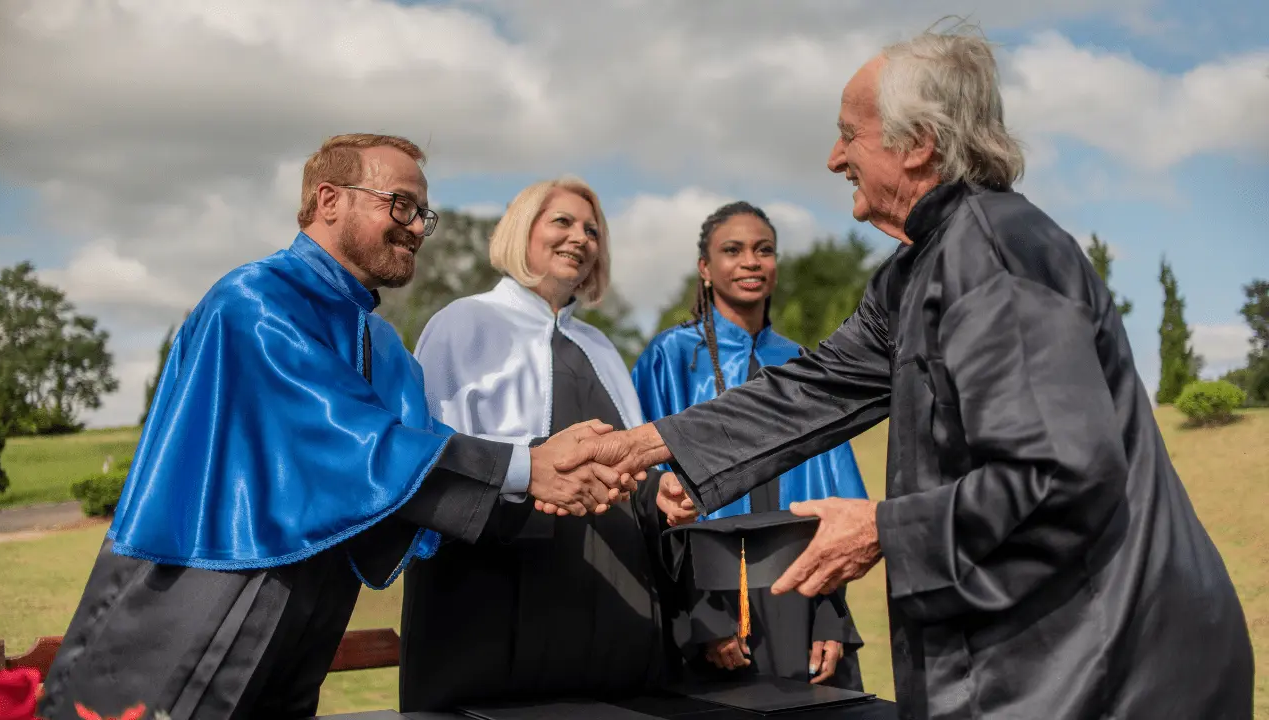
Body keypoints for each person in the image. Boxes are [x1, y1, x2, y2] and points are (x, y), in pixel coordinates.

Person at [554, 28, 1255, 720]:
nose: (834, 159)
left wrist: (884, 529)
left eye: (849, 135)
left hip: (1115, 666)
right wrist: (643, 444)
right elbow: (815, 386)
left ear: (917, 141)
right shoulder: (915, 270)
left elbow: (1058, 474)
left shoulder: (994, 252)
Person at [37, 135, 635, 720]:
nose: (414, 226)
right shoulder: (255, 301)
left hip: (314, 606)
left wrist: (559, 475)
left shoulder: (383, 343)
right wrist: (533, 467)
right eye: (399, 203)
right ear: (329, 201)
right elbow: (350, 440)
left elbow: (425, 463)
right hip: (204, 583)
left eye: (422, 214)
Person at [398, 176, 680, 711]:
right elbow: (430, 460)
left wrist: (660, 497)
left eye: (593, 230)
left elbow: (631, 472)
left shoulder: (602, 347)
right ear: (522, 230)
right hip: (493, 601)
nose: (581, 237)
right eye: (563, 222)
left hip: (611, 605)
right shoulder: (463, 324)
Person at [631, 201, 866, 690]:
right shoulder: (670, 358)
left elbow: (835, 495)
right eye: (732, 250)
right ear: (706, 268)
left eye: (764, 250)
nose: (750, 262)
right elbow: (646, 491)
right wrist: (701, 616)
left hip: (798, 584)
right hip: (706, 592)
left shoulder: (802, 364)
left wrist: (829, 615)